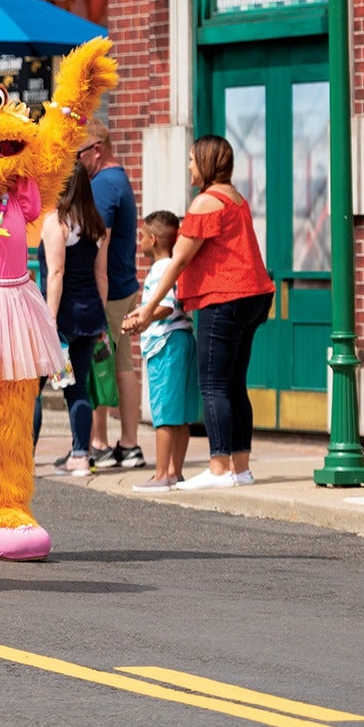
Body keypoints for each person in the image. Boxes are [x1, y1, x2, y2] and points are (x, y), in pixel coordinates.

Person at [123, 135, 273, 490]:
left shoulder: (206, 203)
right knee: (234, 384)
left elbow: (179, 260)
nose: (189, 166)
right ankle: (241, 467)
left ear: (205, 163)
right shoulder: (236, 199)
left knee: (213, 385)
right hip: (253, 296)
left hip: (225, 298)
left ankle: (219, 467)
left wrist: (146, 309)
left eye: (192, 160)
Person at [81, 120, 144, 470]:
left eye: (79, 154)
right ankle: (129, 444)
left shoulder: (103, 185)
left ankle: (100, 443)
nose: (76, 162)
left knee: (100, 363)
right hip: (124, 285)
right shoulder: (117, 180)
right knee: (121, 364)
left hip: (109, 289)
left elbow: (98, 243)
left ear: (97, 150)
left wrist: (95, 291)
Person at [41, 163, 106, 477]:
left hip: (62, 316)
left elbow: (56, 272)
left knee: (32, 388)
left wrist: (49, 319)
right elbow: (101, 275)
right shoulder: (95, 225)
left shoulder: (56, 222)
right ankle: (81, 455)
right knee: (78, 389)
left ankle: (22, 457)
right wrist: (101, 318)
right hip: (90, 314)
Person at [131, 210, 197, 492]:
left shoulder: (161, 269)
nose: (141, 241)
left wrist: (142, 317)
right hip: (182, 339)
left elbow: (165, 306)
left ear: (154, 239)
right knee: (181, 413)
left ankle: (161, 475)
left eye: (143, 236)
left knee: (164, 414)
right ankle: (175, 471)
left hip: (165, 344)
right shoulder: (175, 266)